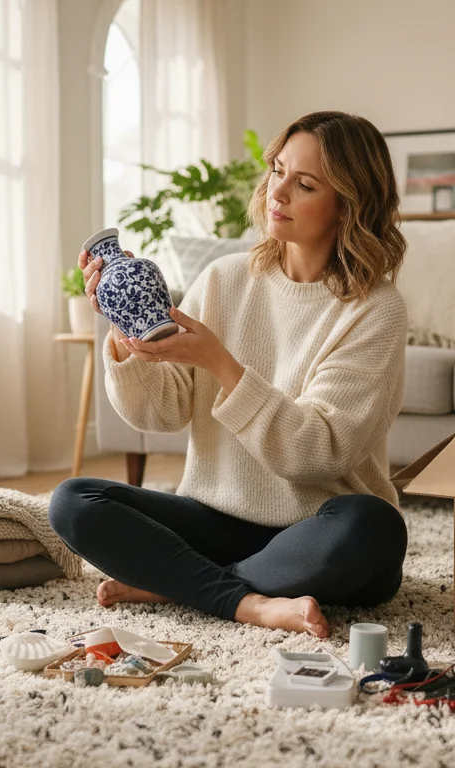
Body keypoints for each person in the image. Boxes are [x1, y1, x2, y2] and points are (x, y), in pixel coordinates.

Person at [48, 110, 409, 638]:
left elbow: (317, 455)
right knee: (74, 503)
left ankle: (181, 583)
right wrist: (130, 329)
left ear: (347, 206)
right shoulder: (225, 278)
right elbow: (162, 412)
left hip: (317, 530)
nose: (277, 192)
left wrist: (222, 362)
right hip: (217, 519)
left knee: (373, 526)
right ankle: (251, 603)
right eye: (278, 171)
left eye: (304, 184)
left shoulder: (375, 309)